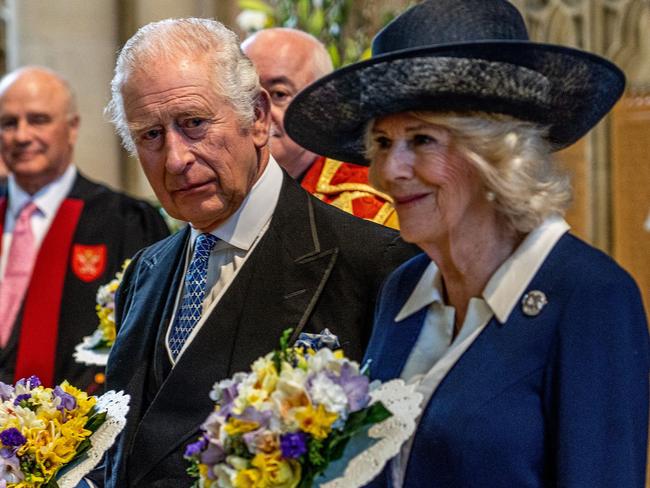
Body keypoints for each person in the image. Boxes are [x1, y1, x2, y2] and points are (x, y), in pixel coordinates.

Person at [284, 0, 650, 486]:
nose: (389, 172)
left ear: (495, 154)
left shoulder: (589, 296)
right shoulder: (405, 289)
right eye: (382, 143)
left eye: (421, 140)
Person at [99, 18, 416, 487]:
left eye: (194, 123)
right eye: (150, 135)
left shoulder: (372, 263)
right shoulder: (145, 271)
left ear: (258, 118)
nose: (175, 159)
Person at [0, 66, 169, 392]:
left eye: (38, 120)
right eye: (8, 123)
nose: (21, 136)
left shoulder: (126, 221)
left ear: (72, 127)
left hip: (77, 430)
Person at [242, 28, 398, 228]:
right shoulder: (221, 187)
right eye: (247, 95)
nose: (258, 113)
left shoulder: (361, 207)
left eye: (278, 94)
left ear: (326, 104)